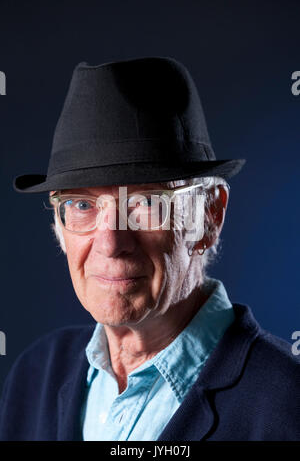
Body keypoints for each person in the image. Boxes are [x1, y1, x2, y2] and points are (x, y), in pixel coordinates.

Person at [0, 57, 299, 441]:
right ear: (59, 225)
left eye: (145, 203)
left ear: (210, 215)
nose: (111, 243)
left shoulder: (286, 406)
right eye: (81, 205)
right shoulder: (36, 376)